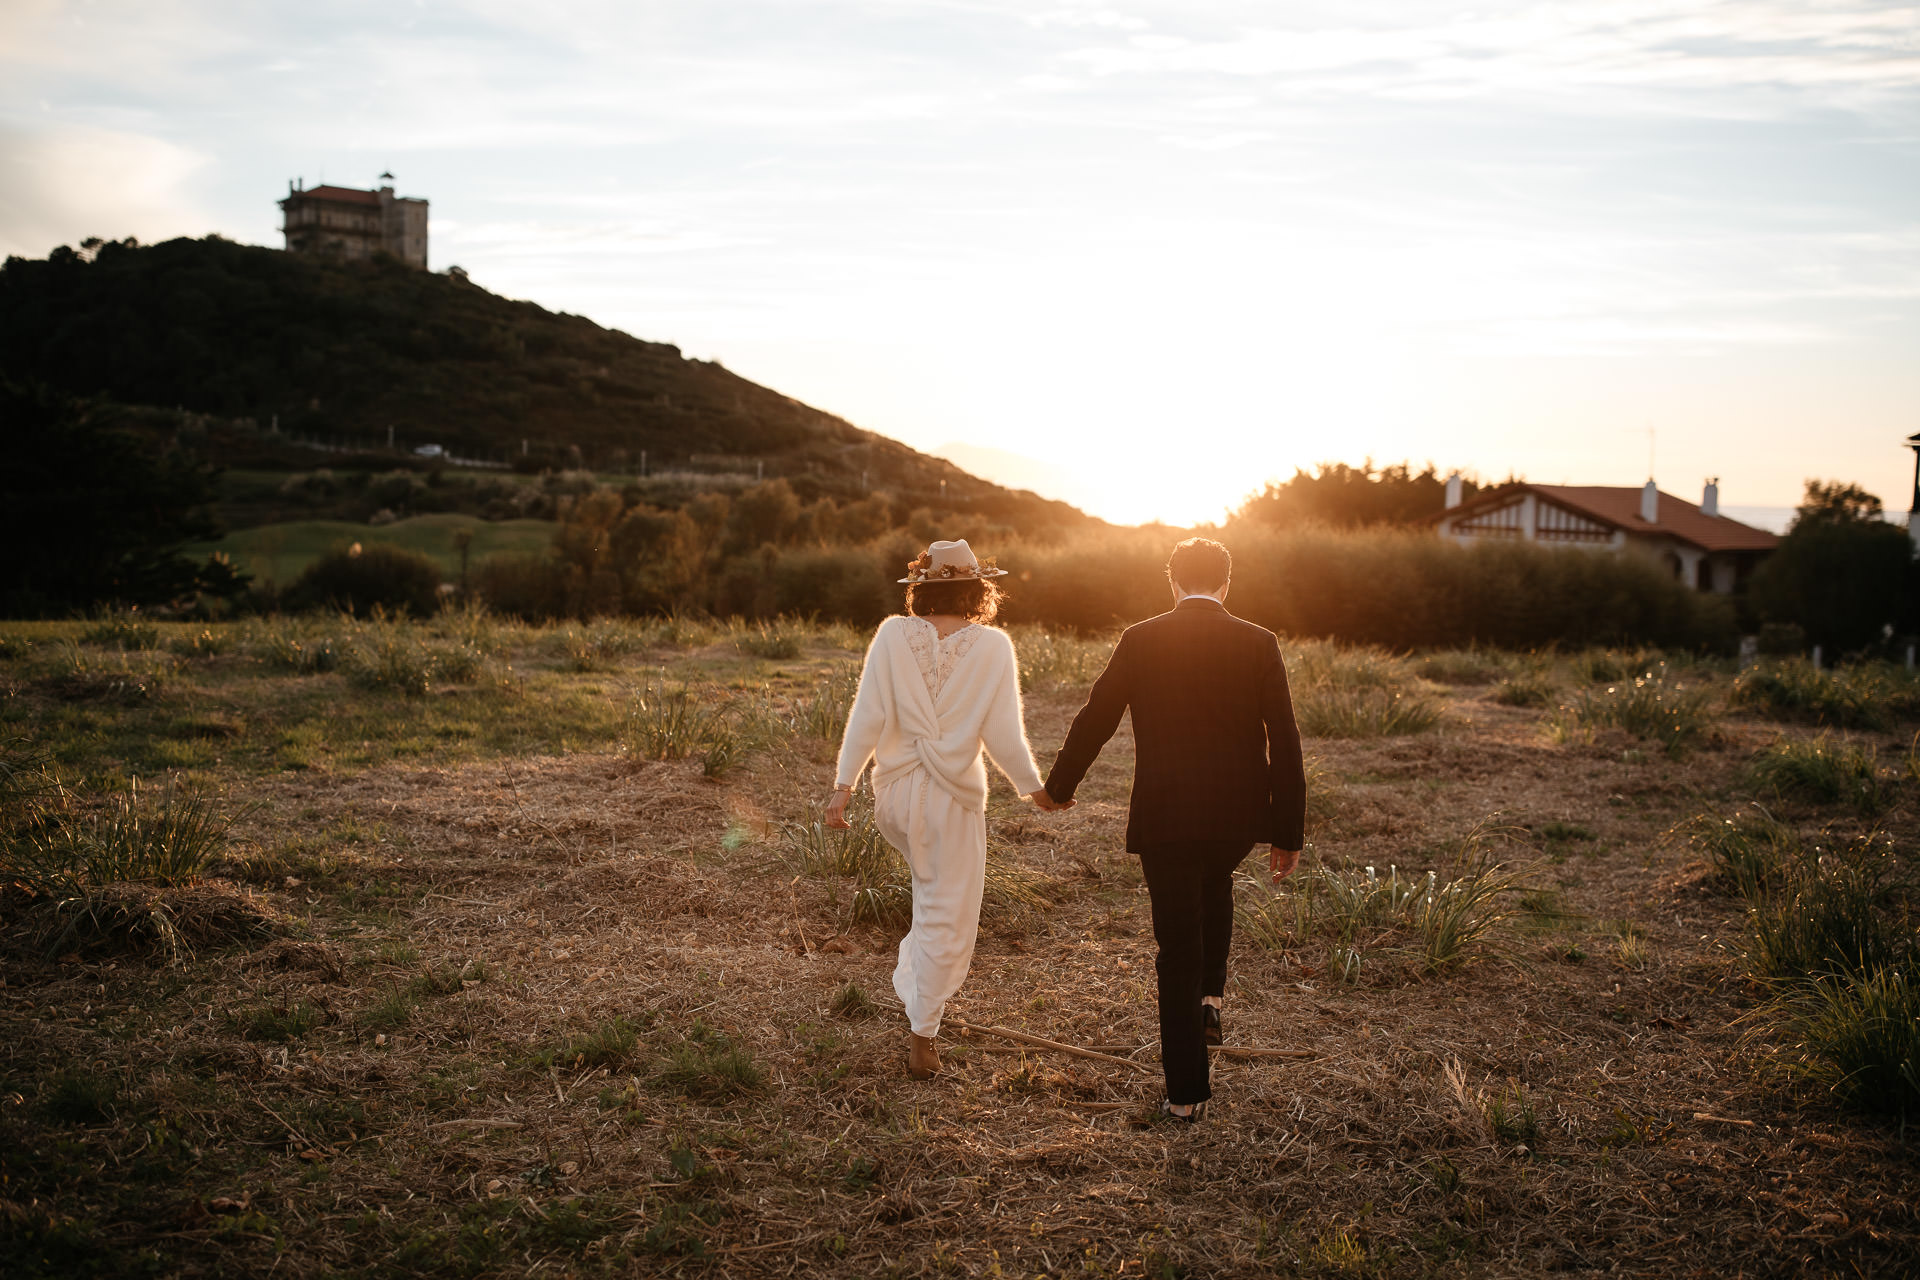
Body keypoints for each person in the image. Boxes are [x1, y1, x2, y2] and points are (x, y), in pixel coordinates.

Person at [1043, 537, 1305, 1123]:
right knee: (1215, 882)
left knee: (1177, 946)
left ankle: (1185, 1094)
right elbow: (1285, 740)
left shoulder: (1141, 638)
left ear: (1172, 581)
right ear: (1226, 584)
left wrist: (1059, 787)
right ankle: (1211, 998)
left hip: (1165, 814)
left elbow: (1097, 717)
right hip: (1237, 816)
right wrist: (1287, 830)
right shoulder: (1259, 642)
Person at [828, 539, 1067, 1080]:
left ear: (921, 589)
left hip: (892, 796)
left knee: (927, 892)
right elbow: (1003, 733)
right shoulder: (993, 647)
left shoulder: (891, 634)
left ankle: (917, 987)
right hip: (951, 800)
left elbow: (867, 714)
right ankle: (923, 1030)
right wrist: (1036, 790)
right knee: (947, 915)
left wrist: (843, 787)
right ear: (978, 589)